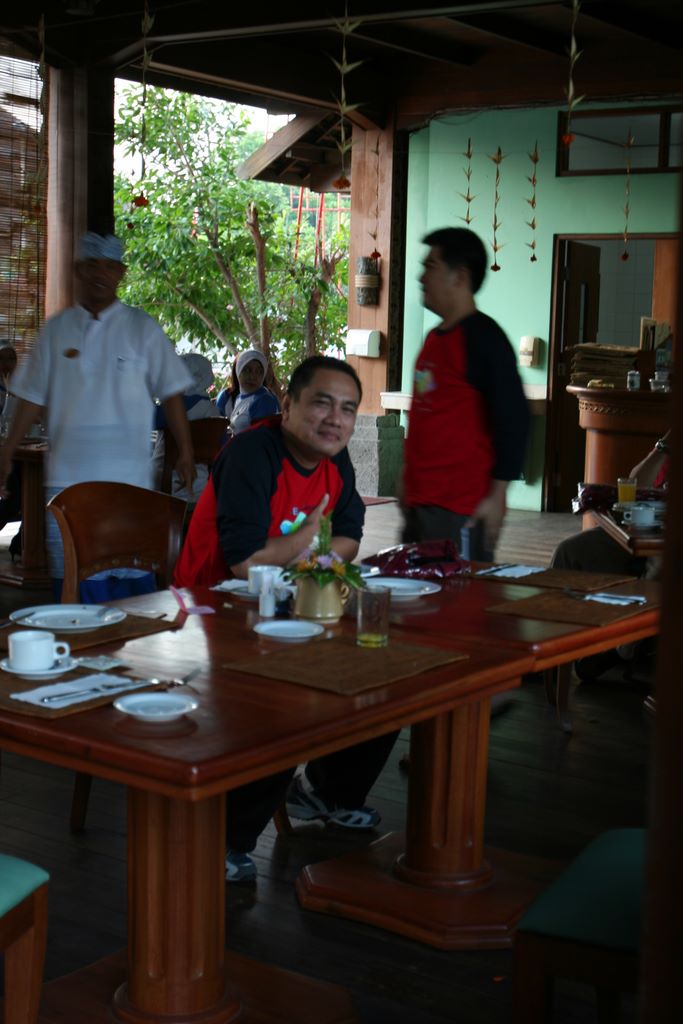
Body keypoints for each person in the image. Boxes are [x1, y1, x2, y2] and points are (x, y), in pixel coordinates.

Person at [175, 354, 397, 882]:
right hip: (212, 610)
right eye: (321, 403)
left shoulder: (334, 458)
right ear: (288, 405)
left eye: (347, 408)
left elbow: (350, 537)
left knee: (384, 673)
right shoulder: (253, 453)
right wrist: (309, 541)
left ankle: (326, 792)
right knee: (286, 705)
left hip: (285, 605)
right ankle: (225, 840)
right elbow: (245, 563)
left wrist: (306, 563)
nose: (335, 419)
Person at [0, 232, 196, 599]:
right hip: (67, 486)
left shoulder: (142, 327)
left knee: (134, 592)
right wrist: (7, 451)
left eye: (109, 266)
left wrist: (185, 451)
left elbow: (171, 391)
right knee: (74, 590)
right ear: (78, 271)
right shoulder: (57, 330)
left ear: (121, 273)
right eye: (91, 265)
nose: (99, 274)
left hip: (130, 484)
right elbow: (30, 396)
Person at [402, 227, 529, 562]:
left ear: (459, 277)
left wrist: (498, 495)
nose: (420, 277)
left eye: (430, 267)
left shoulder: (485, 339)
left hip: (461, 510)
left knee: (459, 593)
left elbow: (514, 420)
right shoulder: (434, 339)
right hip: (420, 503)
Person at [551, 432, 669, 680]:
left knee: (660, 564)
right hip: (642, 530)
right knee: (571, 551)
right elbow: (634, 483)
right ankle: (548, 651)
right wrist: (663, 446)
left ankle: (623, 647)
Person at [152, 352, 224, 504]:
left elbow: (151, 420)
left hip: (167, 485)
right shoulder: (213, 410)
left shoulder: (174, 407)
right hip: (200, 485)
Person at [216, 347, 279, 433]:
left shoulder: (264, 400)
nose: (253, 376)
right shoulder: (239, 397)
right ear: (238, 371)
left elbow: (260, 437)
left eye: (259, 371)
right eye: (246, 370)